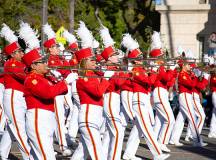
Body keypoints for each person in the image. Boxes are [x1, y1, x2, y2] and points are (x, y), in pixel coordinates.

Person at [23, 48, 76, 159]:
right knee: (47, 156)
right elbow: (48, 93)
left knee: (37, 156)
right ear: (33, 66)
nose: (46, 64)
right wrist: (65, 82)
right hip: (38, 119)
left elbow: (63, 91)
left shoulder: (44, 77)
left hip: (47, 119)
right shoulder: (32, 79)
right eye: (42, 62)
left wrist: (60, 79)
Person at [71, 47, 111, 160]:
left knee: (82, 152)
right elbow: (98, 92)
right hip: (88, 118)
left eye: (94, 59)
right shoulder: (84, 78)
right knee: (97, 151)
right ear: (84, 62)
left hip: (95, 117)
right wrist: (106, 77)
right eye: (91, 60)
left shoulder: (94, 75)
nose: (95, 62)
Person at [0, 23, 31, 160]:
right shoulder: (11, 63)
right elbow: (24, 76)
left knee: (13, 127)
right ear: (13, 53)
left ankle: (2, 152)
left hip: (20, 96)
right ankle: (29, 156)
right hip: (13, 96)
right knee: (19, 128)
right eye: (19, 51)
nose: (22, 53)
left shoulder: (21, 63)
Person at [209, 71, 216, 138]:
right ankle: (212, 132)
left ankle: (212, 132)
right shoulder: (213, 76)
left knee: (214, 114)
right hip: (215, 93)